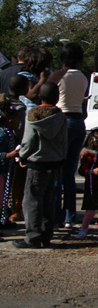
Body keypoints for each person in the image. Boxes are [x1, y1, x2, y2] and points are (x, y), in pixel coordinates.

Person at [14, 82, 67, 249]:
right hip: (54, 161)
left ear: (39, 96)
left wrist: (23, 156)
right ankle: (46, 235)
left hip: (37, 163)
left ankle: (32, 236)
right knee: (48, 199)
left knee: (32, 200)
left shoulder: (32, 115)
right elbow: (63, 142)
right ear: (57, 98)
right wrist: (62, 160)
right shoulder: (60, 116)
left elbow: (28, 141)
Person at [49, 42, 89, 229]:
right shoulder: (83, 77)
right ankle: (69, 216)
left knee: (57, 171)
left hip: (62, 120)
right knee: (69, 174)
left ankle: (56, 216)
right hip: (78, 121)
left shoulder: (58, 75)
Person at [0, 95, 25, 228]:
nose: (19, 124)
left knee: (3, 199)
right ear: (10, 121)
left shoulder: (8, 133)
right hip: (0, 173)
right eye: (18, 120)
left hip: (4, 173)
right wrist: (8, 155)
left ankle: (3, 221)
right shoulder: (2, 135)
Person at [7, 75, 30, 222]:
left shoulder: (4, 102)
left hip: (4, 149)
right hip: (15, 148)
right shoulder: (20, 108)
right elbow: (20, 131)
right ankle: (15, 209)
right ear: (23, 89)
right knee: (17, 180)